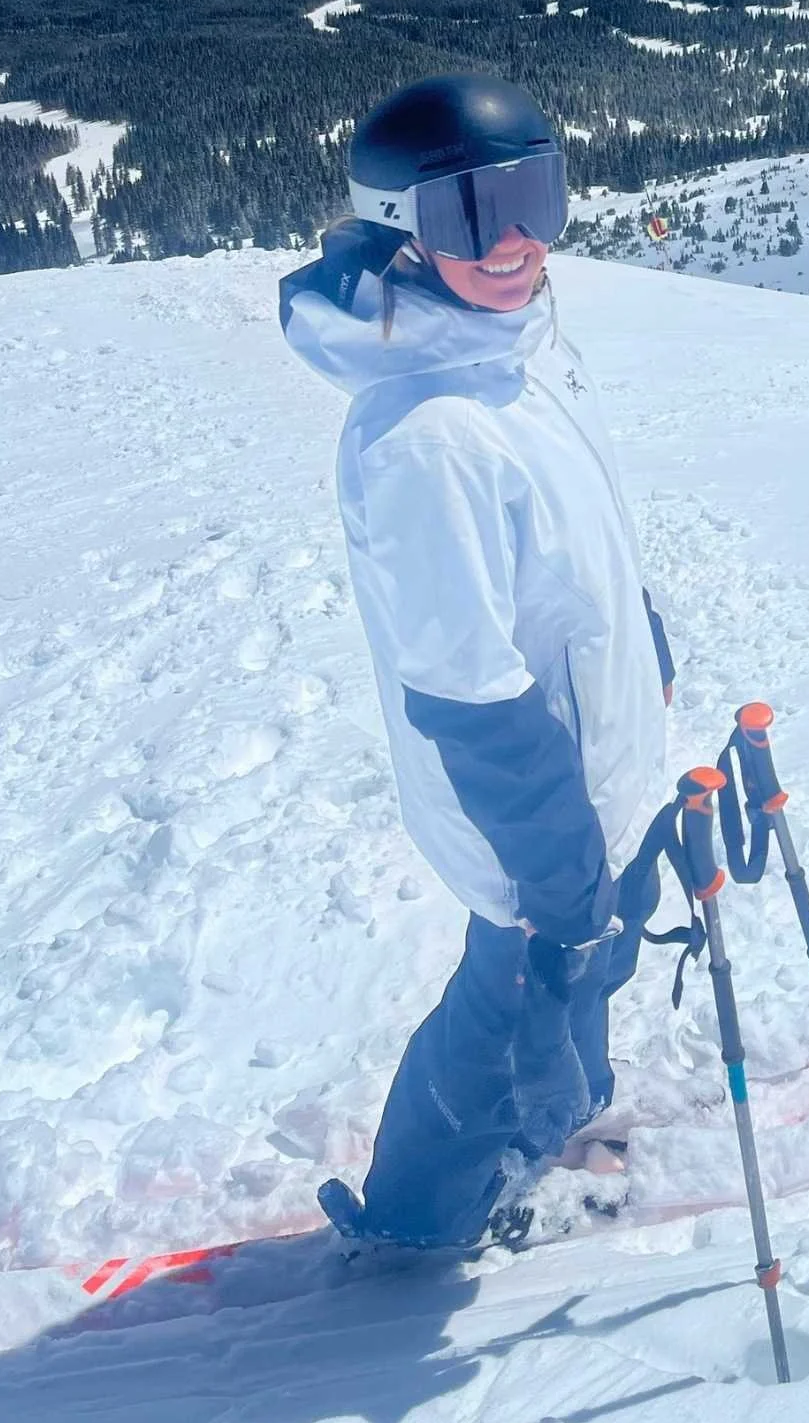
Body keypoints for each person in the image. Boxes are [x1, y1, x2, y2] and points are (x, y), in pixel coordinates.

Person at [279, 72, 674, 1250]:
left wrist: (642, 651)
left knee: (575, 987)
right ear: (401, 232)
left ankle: (560, 1112)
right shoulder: (423, 436)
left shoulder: (508, 355)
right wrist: (556, 872)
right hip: (530, 814)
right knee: (504, 1018)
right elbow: (465, 686)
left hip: (591, 776)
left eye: (532, 199)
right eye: (466, 214)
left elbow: (579, 556)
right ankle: (420, 1219)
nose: (510, 242)